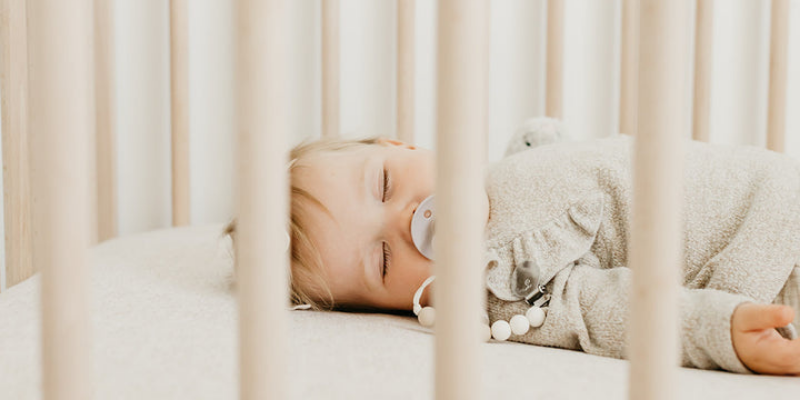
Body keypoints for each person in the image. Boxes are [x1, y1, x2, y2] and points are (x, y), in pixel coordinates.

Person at [224, 121, 800, 376]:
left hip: (776, 183)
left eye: (385, 185)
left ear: (402, 145)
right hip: (773, 262)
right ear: (387, 305)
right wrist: (718, 331)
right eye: (381, 261)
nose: (407, 222)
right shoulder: (501, 284)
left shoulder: (499, 170)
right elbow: (612, 312)